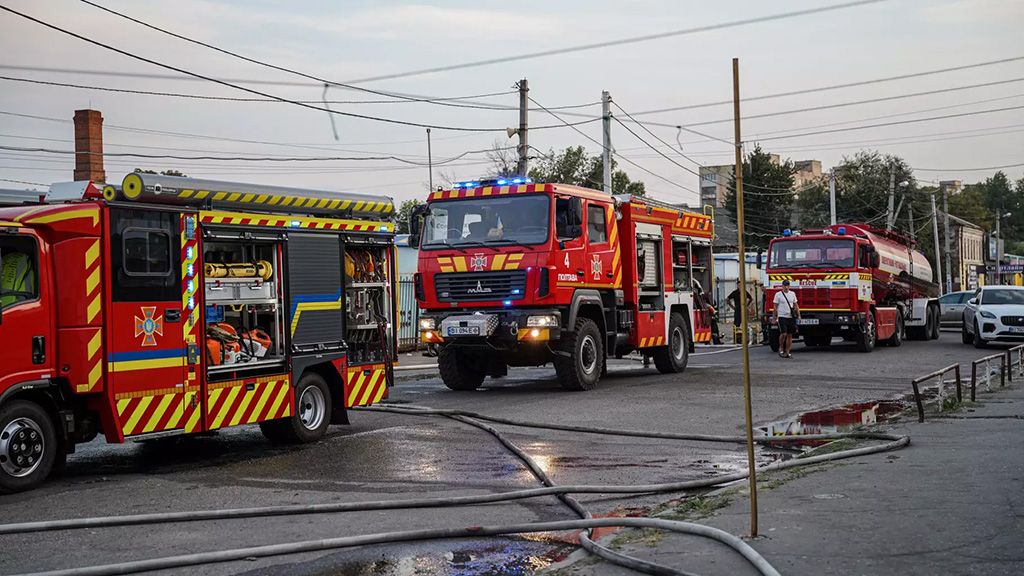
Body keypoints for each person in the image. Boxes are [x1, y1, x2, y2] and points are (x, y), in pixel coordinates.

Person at [772, 279, 800, 358]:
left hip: (790, 317)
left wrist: (798, 315)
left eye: (787, 285)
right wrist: (774, 318)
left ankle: (788, 352)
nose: (786, 287)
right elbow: (775, 307)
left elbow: (795, 305)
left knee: (790, 335)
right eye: (785, 286)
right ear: (782, 286)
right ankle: (781, 347)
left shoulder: (792, 294)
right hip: (782, 316)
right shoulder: (778, 295)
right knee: (783, 333)